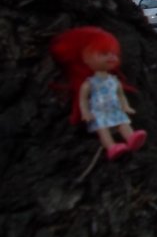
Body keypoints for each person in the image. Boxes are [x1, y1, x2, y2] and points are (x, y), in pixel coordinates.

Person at [50, 26, 147, 161]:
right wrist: (85, 112)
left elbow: (120, 94)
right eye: (103, 53)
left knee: (122, 123)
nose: (111, 58)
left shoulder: (113, 80)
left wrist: (125, 106)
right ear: (85, 57)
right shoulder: (89, 83)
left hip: (114, 110)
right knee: (103, 129)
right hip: (99, 112)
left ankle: (131, 138)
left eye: (114, 54)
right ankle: (111, 146)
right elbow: (83, 99)